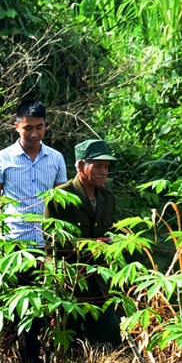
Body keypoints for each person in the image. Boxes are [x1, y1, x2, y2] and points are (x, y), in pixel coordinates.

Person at [0, 100, 66, 363]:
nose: (34, 134)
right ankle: (28, 360)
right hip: (14, 243)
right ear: (16, 126)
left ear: (46, 126)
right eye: (28, 128)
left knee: (41, 304)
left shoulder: (56, 159)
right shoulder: (1, 159)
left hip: (45, 243)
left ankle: (33, 358)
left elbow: (61, 203)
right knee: (21, 304)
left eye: (40, 128)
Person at [50, 138, 121, 344]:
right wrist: (88, 244)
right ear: (80, 166)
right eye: (98, 166)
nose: (104, 172)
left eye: (106, 167)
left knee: (108, 332)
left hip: (100, 279)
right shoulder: (61, 196)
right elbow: (52, 241)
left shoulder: (108, 197)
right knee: (69, 336)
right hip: (71, 279)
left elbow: (111, 231)